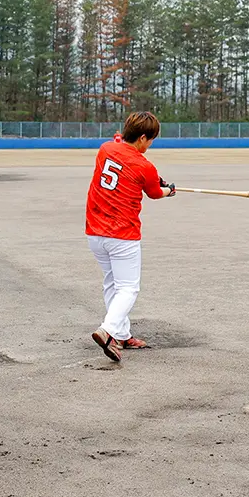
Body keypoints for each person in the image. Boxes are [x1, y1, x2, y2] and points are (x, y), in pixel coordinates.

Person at [85, 111, 175, 362]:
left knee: (112, 283)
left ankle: (122, 335)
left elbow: (119, 147)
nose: (151, 144)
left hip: (95, 232)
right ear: (143, 137)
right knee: (128, 288)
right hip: (122, 234)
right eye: (151, 140)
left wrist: (155, 182)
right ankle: (108, 330)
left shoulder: (105, 149)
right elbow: (155, 193)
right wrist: (169, 190)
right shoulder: (144, 165)